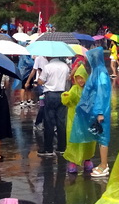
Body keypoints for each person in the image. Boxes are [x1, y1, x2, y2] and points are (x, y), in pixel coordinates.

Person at [76, 47, 112, 177]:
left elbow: (102, 94)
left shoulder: (100, 73)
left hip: (101, 111)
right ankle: (103, 164)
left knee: (103, 138)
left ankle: (104, 165)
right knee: (100, 137)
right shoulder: (97, 71)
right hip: (98, 110)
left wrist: (99, 112)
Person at [62, 63, 95, 175]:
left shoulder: (89, 90)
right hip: (74, 120)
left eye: (82, 78)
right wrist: (66, 97)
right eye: (78, 78)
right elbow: (67, 101)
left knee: (87, 141)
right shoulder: (74, 89)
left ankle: (87, 160)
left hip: (86, 121)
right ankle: (72, 162)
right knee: (74, 141)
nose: (80, 81)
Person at [38, 56, 71, 158]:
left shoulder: (47, 67)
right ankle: (62, 147)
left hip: (50, 95)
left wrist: (40, 78)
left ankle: (48, 148)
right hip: (62, 94)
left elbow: (41, 81)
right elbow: (67, 79)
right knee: (61, 121)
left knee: (49, 122)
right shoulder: (65, 66)